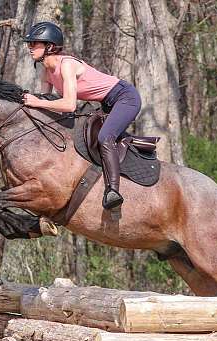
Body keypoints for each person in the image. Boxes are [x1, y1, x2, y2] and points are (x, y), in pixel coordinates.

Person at [22, 21, 142, 210]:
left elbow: (69, 105)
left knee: (105, 137)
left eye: (34, 43)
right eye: (29, 44)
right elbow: (45, 100)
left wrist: (36, 102)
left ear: (49, 46)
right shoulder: (46, 71)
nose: (29, 47)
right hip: (106, 103)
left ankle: (113, 191)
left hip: (125, 97)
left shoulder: (67, 65)